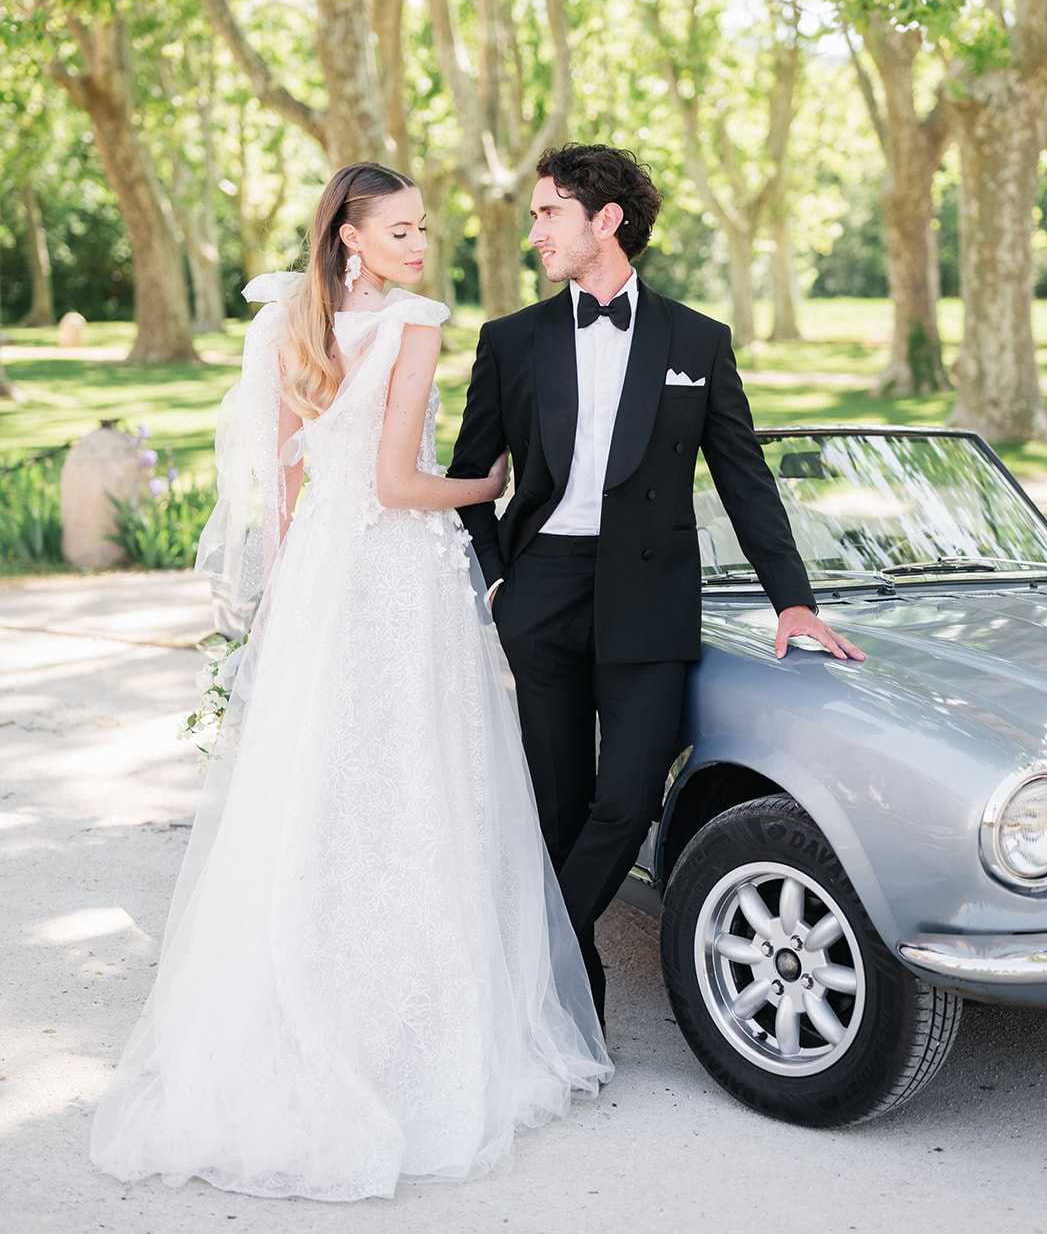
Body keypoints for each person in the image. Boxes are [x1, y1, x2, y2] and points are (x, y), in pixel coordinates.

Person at [89, 163, 611, 1203]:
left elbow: (287, 481)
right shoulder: (416, 320)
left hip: (324, 575)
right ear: (355, 239)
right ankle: (415, 1030)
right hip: (396, 574)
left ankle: (300, 997)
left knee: (316, 792)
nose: (423, 245)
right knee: (419, 784)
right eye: (404, 230)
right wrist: (488, 483)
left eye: (424, 229)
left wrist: (284, 595)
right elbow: (397, 484)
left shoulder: (293, 319)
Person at [448, 142, 864, 1028]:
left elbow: (745, 479)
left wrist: (794, 601)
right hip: (544, 591)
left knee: (628, 798)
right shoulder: (511, 341)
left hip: (650, 596)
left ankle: (523, 965)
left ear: (606, 221)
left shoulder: (696, 341)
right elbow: (470, 479)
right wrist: (495, 585)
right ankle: (572, 1005)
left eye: (547, 212)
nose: (533, 233)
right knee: (557, 804)